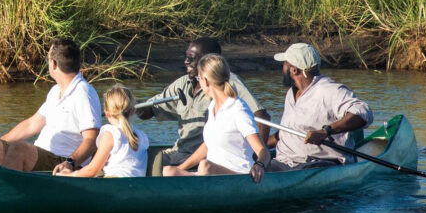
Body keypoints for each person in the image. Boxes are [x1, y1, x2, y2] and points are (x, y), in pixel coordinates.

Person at [0, 37, 102, 172]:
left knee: (19, 149)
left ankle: (3, 192)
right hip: (41, 155)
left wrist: (69, 163)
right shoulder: (55, 91)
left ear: (54, 64)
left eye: (47, 60)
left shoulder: (83, 92)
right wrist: (1, 142)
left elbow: (91, 140)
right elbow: (31, 125)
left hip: (63, 161)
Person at [137, 38, 265, 173]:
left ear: (209, 61)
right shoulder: (188, 87)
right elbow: (149, 110)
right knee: (142, 158)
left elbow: (260, 115)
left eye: (191, 58)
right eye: (186, 57)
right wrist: (132, 105)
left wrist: (259, 160)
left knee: (156, 168)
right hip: (183, 152)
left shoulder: (227, 85)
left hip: (209, 162)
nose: (186, 61)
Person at [266, 43, 373, 170]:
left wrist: (326, 131)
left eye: (284, 64)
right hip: (283, 162)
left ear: (294, 70)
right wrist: (260, 143)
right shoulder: (291, 93)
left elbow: (363, 112)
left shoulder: (329, 90)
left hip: (316, 163)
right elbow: (288, 131)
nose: (282, 68)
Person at [163, 54, 270, 181]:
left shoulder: (238, 109)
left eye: (199, 78)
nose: (198, 81)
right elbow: (208, 145)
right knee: (168, 171)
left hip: (238, 175)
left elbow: (263, 151)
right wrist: (180, 168)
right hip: (211, 175)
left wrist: (259, 165)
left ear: (206, 81)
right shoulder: (212, 106)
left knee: (205, 166)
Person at [53, 83, 149, 179]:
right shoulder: (142, 137)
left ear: (107, 113)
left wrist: (70, 175)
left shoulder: (111, 135)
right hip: (137, 186)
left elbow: (92, 170)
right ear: (132, 111)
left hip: (114, 184)